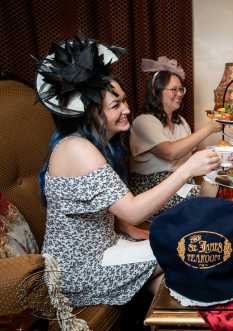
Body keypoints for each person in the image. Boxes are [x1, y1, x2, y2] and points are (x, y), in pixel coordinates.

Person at [37, 37, 220, 311]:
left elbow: (112, 212)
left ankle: (179, 321)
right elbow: (132, 210)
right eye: (115, 105)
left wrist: (135, 233)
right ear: (90, 114)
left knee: (179, 264)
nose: (127, 109)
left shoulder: (91, 146)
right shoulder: (76, 148)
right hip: (79, 271)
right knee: (186, 251)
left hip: (104, 250)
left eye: (124, 101)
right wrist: (186, 171)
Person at [129, 56, 221, 212]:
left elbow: (190, 155)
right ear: (156, 92)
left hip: (182, 181)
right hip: (153, 185)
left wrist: (223, 155)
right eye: (174, 89)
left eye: (181, 89)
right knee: (200, 204)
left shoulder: (181, 122)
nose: (180, 94)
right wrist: (209, 128)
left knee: (218, 184)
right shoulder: (144, 121)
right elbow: (170, 152)